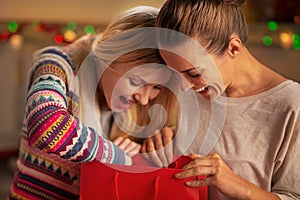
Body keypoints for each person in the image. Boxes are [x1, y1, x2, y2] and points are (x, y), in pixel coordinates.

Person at [9, 6, 178, 200]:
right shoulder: (55, 65)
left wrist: (164, 139)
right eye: (136, 82)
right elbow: (46, 125)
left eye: (157, 87)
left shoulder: (136, 110)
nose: (144, 98)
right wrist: (116, 158)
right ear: (108, 55)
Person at [155, 0, 300, 199]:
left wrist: (234, 184)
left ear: (233, 48)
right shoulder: (192, 89)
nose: (183, 86)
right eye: (175, 73)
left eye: (194, 73)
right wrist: (162, 149)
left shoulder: (292, 106)